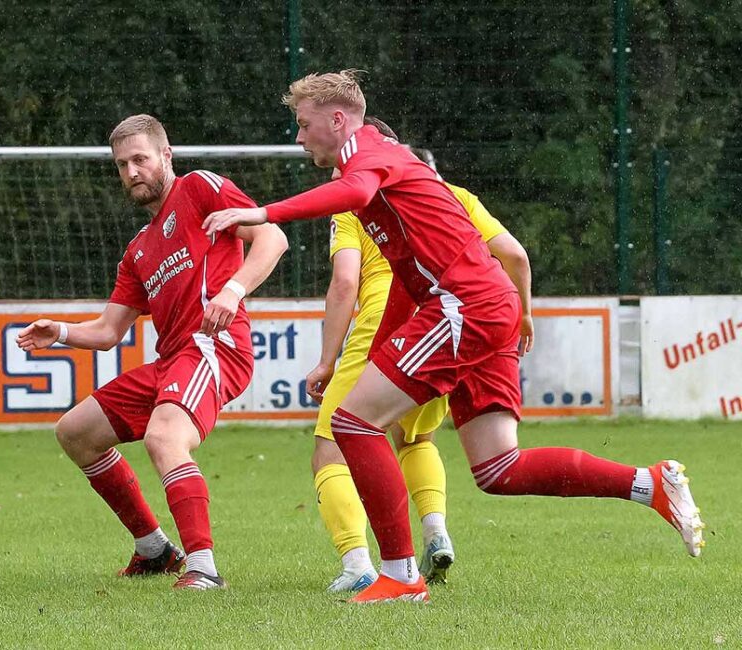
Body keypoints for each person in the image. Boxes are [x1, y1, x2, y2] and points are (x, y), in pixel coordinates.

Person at [203, 71, 704, 604]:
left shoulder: (367, 152)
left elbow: (355, 191)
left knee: (352, 422)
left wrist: (261, 211)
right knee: (498, 467)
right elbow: (406, 279)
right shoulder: (386, 165)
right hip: (485, 308)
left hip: (466, 307)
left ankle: (398, 576)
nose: (299, 138)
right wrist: (367, 358)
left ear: (337, 119)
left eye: (303, 126)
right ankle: (651, 484)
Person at [17, 114, 288, 591]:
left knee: (164, 437)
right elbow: (106, 331)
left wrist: (233, 291)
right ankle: (154, 549)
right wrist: (57, 331)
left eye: (140, 159)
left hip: (214, 346)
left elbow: (272, 236)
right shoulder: (139, 249)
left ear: (166, 155)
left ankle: (203, 569)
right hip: (172, 361)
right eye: (122, 164)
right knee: (76, 432)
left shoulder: (201, 189)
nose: (131, 172)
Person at [308, 117, 534, 592]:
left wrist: (328, 358)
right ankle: (435, 530)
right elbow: (513, 255)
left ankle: (362, 566)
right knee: (416, 441)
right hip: (460, 320)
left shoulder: (357, 198)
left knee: (336, 439)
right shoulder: (454, 195)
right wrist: (525, 314)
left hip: (403, 323)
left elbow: (345, 280)